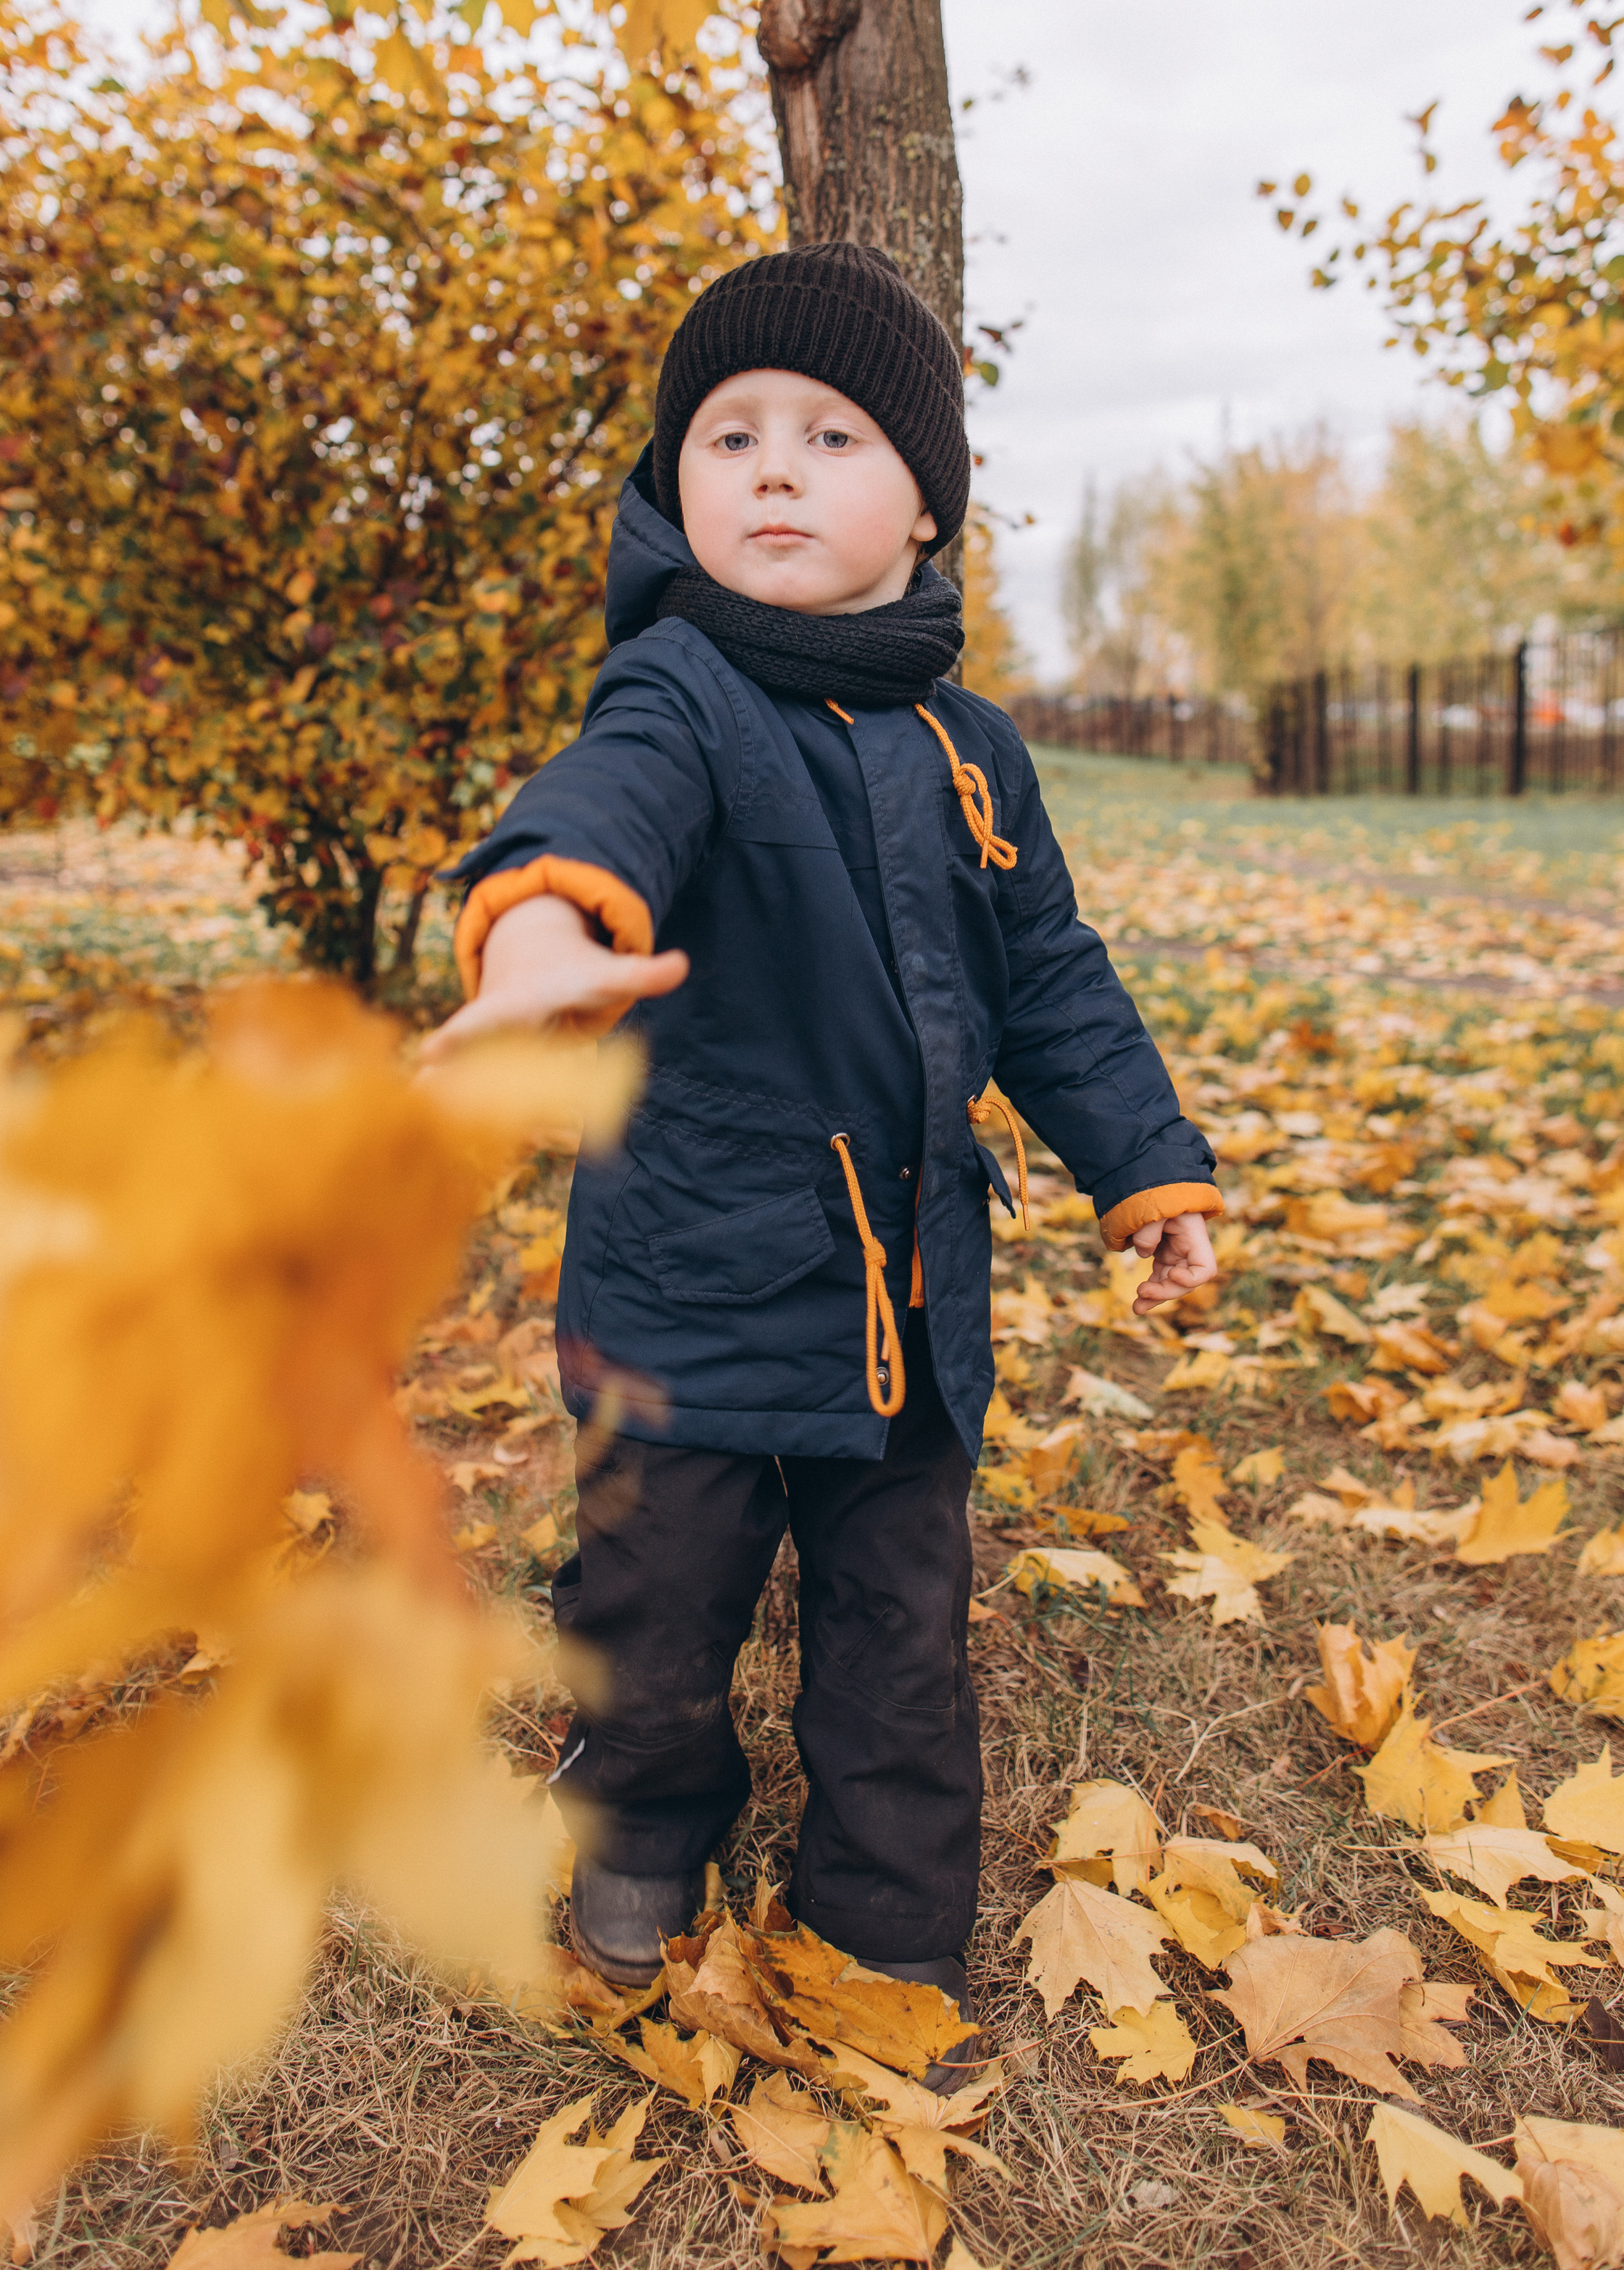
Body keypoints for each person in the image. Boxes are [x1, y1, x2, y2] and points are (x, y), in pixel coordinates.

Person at [423, 241, 1221, 2008]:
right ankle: (638, 1825)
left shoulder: (972, 747)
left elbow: (1050, 979)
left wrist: (1144, 1167)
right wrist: (546, 920)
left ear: (924, 513)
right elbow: (601, 802)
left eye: (831, 435)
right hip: (687, 1299)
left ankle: (884, 1914)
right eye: (727, 435)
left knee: (899, 1633)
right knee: (652, 1607)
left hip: (906, 1299)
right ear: (675, 486)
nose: (772, 465)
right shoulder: (681, 691)